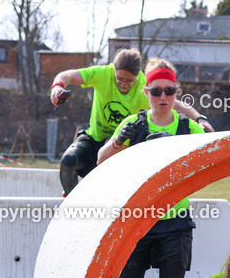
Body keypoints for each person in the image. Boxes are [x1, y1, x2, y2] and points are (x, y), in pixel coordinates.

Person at [96, 58, 207, 278]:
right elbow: (101, 159)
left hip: (176, 223)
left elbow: (214, 159)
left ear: (176, 93)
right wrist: (119, 140)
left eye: (168, 91)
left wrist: (207, 128)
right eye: (156, 91)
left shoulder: (188, 128)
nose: (162, 98)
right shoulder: (135, 124)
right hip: (138, 222)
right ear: (146, 92)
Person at [50, 48, 212, 195]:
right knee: (68, 161)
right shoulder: (102, 74)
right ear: (113, 70)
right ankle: (69, 200)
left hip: (123, 142)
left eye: (129, 81)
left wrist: (198, 117)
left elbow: (172, 102)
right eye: (119, 79)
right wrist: (58, 86)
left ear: (138, 78)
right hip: (96, 137)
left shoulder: (145, 85)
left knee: (112, 171)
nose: (124, 85)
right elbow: (68, 75)